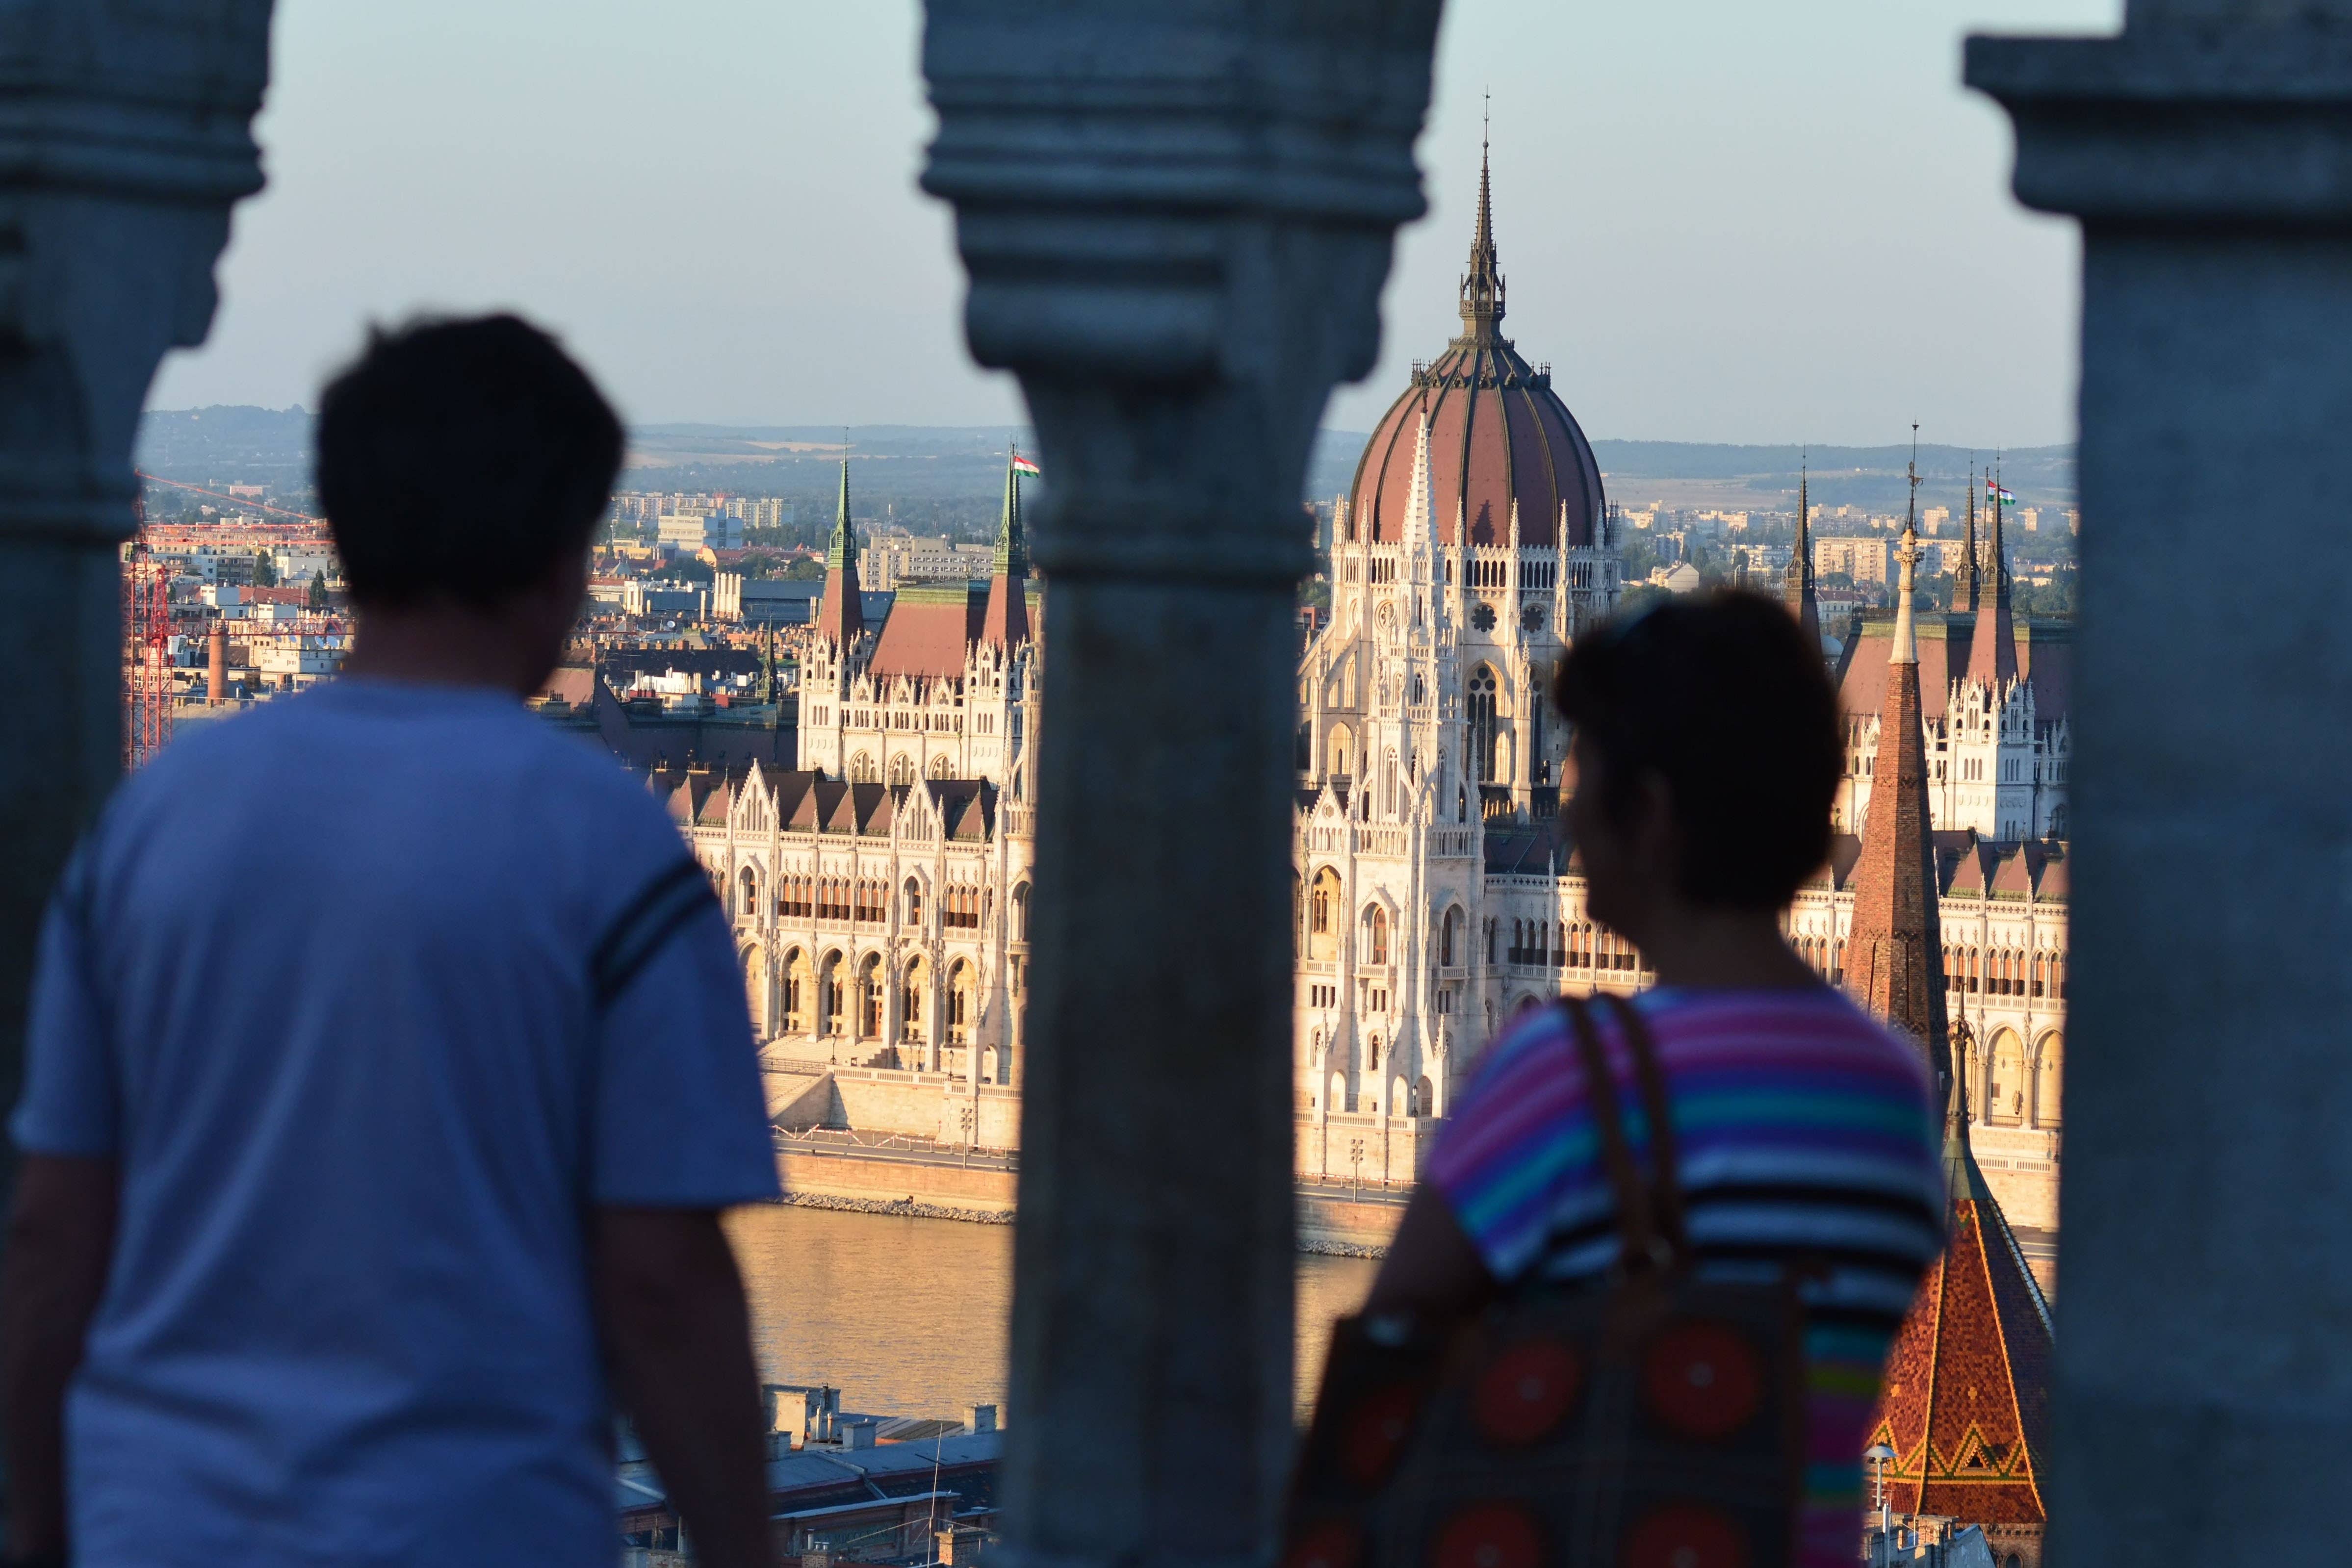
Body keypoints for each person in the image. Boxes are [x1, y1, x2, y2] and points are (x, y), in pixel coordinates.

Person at [0, 316, 779, 1568]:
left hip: (160, 1527)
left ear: (347, 537)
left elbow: (52, 1234)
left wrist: (37, 1529)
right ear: (562, 560)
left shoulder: (150, 829)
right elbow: (660, 1279)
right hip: (468, 1526)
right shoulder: (613, 852)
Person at [1357, 590, 1946, 1568]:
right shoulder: (1892, 1092)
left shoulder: (1564, 1079)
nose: (1561, 793)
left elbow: (1387, 1355)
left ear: (1652, 814)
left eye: (1580, 762)